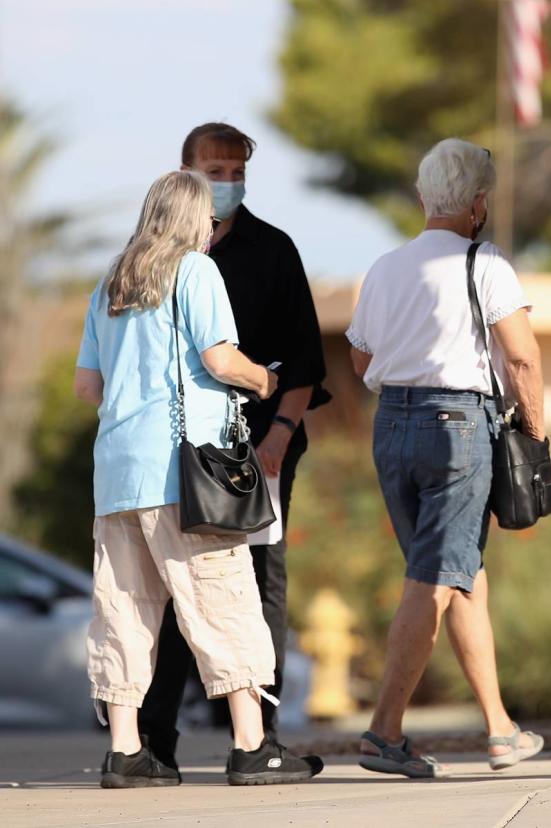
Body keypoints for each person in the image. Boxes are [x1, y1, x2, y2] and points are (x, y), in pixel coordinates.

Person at [74, 170, 321, 787]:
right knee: (223, 600)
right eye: (208, 220)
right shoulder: (195, 271)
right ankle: (251, 745)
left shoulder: (111, 282)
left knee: (124, 611)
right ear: (193, 221)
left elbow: (88, 387)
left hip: (118, 476)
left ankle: (127, 752)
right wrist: (265, 381)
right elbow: (217, 358)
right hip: (185, 473)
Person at [346, 138, 545, 777]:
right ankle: (384, 731)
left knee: (458, 574)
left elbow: (360, 359)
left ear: (423, 197)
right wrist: (536, 437)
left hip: (393, 425)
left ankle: (499, 729)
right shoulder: (485, 263)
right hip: (457, 426)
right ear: (479, 203)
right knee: (436, 575)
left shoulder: (384, 267)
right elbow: (520, 357)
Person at [138, 123, 329, 768]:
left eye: (235, 171)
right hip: (171, 448)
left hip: (257, 453)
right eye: (213, 171)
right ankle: (154, 740)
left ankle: (257, 741)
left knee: (261, 585)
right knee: (166, 587)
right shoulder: (149, 259)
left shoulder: (274, 250)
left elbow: (305, 363)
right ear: (185, 171)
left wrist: (279, 434)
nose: (226, 183)